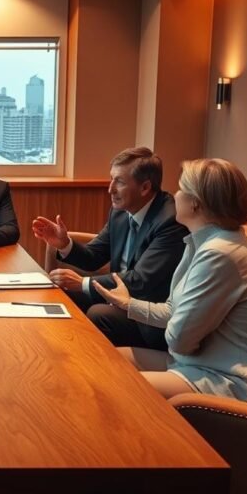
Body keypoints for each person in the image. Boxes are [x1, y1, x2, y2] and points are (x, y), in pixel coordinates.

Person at [48, 159, 247, 494]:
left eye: (182, 188)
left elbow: (179, 339)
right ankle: (92, 487)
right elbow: (174, 311)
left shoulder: (221, 255)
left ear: (196, 203)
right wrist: (130, 305)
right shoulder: (205, 242)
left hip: (238, 380)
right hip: (203, 361)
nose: (174, 193)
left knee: (124, 393)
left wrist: (165, 318)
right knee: (101, 366)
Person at [32, 147, 186, 349]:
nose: (110, 188)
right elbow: (94, 256)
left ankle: (97, 372)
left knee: (99, 314)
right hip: (119, 297)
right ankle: (58, 354)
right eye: (111, 179)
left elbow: (142, 280)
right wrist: (64, 244)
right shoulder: (120, 212)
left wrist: (84, 283)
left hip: (148, 315)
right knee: (61, 293)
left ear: (145, 187)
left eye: (119, 181)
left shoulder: (169, 221)